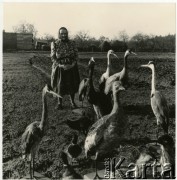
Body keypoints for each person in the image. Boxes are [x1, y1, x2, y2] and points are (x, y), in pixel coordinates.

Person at [50, 27, 80, 110]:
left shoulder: (72, 43)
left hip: (71, 66)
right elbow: (53, 57)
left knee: (72, 84)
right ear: (59, 34)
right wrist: (60, 65)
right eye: (62, 33)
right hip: (60, 67)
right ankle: (59, 103)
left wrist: (72, 64)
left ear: (67, 34)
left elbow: (76, 55)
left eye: (65, 33)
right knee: (60, 85)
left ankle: (72, 102)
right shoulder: (55, 44)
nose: (64, 35)